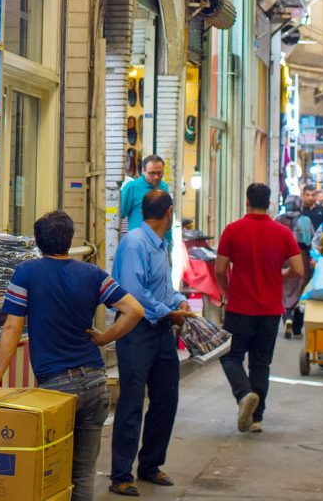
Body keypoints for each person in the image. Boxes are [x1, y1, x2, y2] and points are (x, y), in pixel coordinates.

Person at [0, 211, 145, 501]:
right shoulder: (93, 274)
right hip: (95, 382)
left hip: (55, 389)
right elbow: (135, 310)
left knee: (52, 472)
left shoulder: (27, 272)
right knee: (83, 474)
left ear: (38, 241)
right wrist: (104, 338)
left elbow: (11, 326)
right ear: (70, 240)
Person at [109, 191, 194, 496]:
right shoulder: (134, 243)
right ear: (169, 213)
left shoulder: (161, 245)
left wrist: (179, 302)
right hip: (136, 331)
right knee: (131, 402)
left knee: (166, 399)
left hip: (161, 331)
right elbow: (133, 291)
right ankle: (121, 474)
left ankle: (150, 465)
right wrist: (166, 312)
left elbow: (161, 289)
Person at [215, 183, 303, 434]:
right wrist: (279, 275)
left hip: (240, 306)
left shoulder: (233, 230)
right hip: (271, 309)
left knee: (230, 356)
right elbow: (298, 270)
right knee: (261, 364)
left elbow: (220, 269)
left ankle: (244, 394)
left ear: (247, 201)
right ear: (270, 203)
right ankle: (256, 418)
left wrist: (227, 290)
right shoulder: (283, 233)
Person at [275, 196, 315, 339]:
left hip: (281, 257)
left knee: (284, 288)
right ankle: (297, 328)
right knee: (300, 288)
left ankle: (287, 317)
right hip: (300, 256)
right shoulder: (305, 220)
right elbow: (310, 240)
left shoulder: (278, 220)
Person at [120, 155, 172, 243]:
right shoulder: (132, 187)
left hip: (161, 242)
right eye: (152, 173)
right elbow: (120, 213)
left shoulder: (164, 187)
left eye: (159, 173)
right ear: (143, 170)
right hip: (139, 242)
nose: (156, 177)